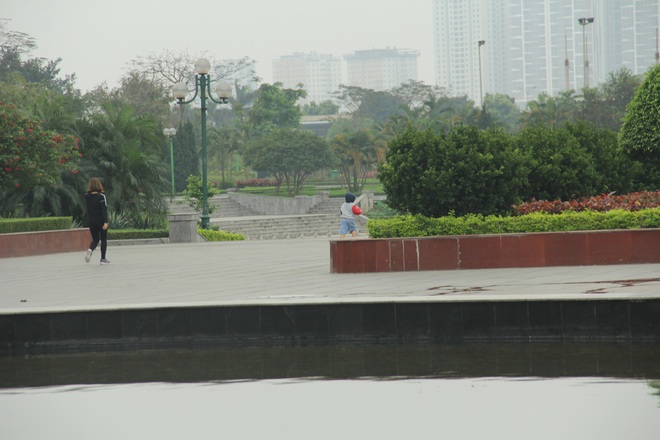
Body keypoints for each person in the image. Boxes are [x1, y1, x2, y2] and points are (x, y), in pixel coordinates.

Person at [84, 177, 110, 265]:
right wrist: (106, 222)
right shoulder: (101, 197)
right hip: (101, 222)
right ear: (99, 185)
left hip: (91, 222)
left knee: (95, 240)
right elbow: (104, 210)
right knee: (103, 239)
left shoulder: (87, 197)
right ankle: (103, 259)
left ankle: (90, 250)